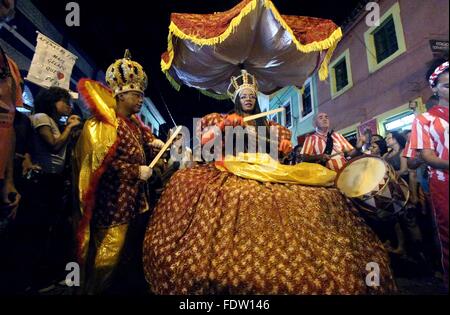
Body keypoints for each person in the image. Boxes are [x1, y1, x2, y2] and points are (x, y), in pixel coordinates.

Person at [142, 70, 396, 295]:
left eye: (252, 95)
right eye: (244, 95)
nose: (249, 98)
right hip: (234, 166)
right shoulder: (221, 119)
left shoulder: (271, 125)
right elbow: (202, 146)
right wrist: (222, 126)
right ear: (236, 99)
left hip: (268, 167)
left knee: (318, 189)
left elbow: (280, 154)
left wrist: (281, 147)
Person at [75, 50, 164, 294]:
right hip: (113, 205)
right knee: (107, 257)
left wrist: (154, 144)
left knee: (128, 256)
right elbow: (101, 164)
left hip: (136, 203)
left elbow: (142, 146)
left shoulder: (135, 126)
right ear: (121, 95)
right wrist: (136, 171)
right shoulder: (102, 125)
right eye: (136, 94)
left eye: (142, 95)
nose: (141, 100)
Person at [406, 59, 449, 286]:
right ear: (434, 88)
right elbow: (417, 162)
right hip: (443, 183)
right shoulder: (425, 120)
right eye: (447, 86)